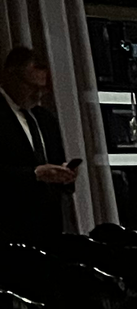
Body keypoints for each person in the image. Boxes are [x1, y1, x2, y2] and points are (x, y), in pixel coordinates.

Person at [0, 45, 80, 245]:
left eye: (42, 88)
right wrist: (35, 174)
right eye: (31, 86)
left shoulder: (44, 118)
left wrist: (65, 175)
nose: (39, 94)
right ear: (10, 77)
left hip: (48, 227)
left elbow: (55, 159)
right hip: (9, 226)